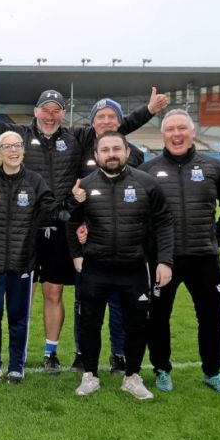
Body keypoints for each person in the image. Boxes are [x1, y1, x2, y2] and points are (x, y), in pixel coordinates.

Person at [0, 76, 166, 374]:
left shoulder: (76, 137)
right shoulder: (19, 134)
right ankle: (5, 357)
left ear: (63, 114)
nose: (50, 115)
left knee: (54, 293)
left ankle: (51, 352)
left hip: (61, 226)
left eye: (56, 110)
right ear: (36, 111)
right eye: (45, 109)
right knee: (22, 294)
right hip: (24, 229)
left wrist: (148, 111)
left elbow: (113, 131)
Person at [67, 131, 174, 400]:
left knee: (137, 324)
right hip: (96, 268)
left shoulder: (147, 184)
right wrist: (77, 255)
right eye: (105, 149)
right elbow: (70, 221)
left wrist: (164, 261)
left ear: (127, 152)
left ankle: (132, 376)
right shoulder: (85, 186)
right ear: (96, 155)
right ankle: (89, 375)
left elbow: (163, 222)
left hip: (134, 268)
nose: (111, 154)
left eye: (117, 148)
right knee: (90, 322)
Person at [140, 110, 220, 396]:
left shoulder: (214, 168)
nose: (176, 134)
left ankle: (212, 372)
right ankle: (162, 369)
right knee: (157, 317)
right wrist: (151, 251)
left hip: (204, 258)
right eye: (170, 129)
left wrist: (215, 240)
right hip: (164, 261)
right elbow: (141, 217)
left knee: (210, 317)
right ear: (163, 135)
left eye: (182, 128)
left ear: (193, 133)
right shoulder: (149, 171)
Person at [0, 130, 70, 384]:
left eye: (18, 145)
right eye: (7, 147)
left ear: (23, 150)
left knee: (18, 316)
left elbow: (52, 210)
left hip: (23, 263)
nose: (13, 150)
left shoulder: (35, 181)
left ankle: (16, 365)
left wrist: (72, 202)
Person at [71, 98, 147, 374]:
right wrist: (80, 223)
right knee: (85, 304)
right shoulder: (81, 151)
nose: (105, 121)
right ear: (92, 122)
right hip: (91, 244)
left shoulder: (134, 154)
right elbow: (75, 194)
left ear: (119, 122)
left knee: (120, 305)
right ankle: (82, 354)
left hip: (126, 245)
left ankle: (119, 354)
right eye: (100, 117)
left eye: (110, 117)